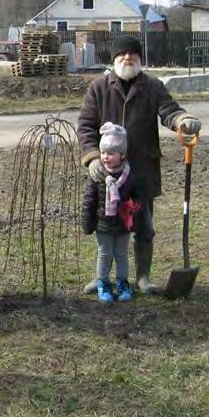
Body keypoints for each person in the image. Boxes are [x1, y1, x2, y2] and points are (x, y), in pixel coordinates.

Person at [78, 34, 201, 293]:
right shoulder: (98, 88)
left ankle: (143, 277)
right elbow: (86, 127)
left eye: (133, 54)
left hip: (142, 171)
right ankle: (102, 278)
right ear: (114, 59)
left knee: (144, 228)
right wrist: (90, 158)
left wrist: (182, 120)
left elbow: (169, 110)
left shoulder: (152, 86)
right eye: (122, 54)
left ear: (139, 59)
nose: (128, 58)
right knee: (106, 228)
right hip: (108, 174)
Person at [82, 123, 142, 303]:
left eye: (110, 153)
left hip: (123, 224)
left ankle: (123, 283)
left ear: (122, 155)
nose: (105, 157)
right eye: (103, 153)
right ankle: (103, 283)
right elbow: (89, 200)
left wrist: (134, 211)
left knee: (122, 254)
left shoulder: (129, 175)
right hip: (103, 224)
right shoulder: (97, 176)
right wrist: (87, 223)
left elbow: (138, 197)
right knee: (104, 254)